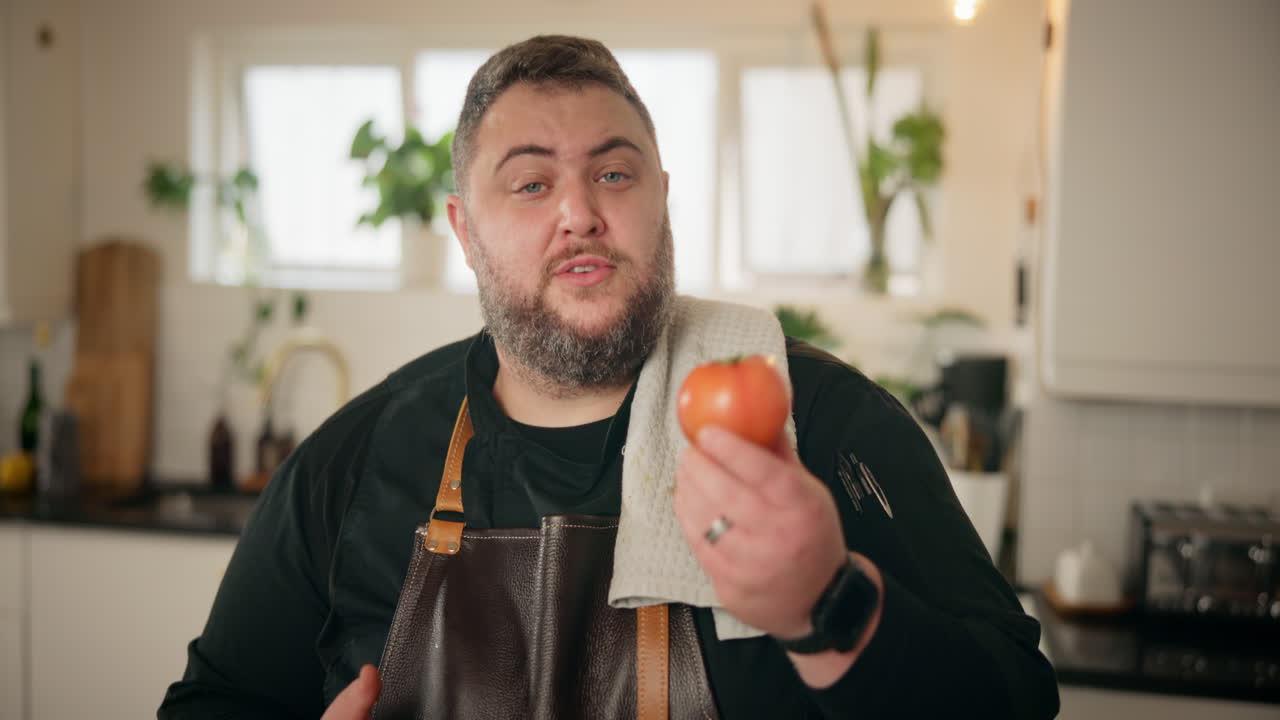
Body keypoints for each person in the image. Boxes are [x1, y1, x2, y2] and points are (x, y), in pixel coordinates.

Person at [160, 35, 1059, 719]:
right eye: (529, 185)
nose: (581, 214)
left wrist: (833, 606)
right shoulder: (352, 463)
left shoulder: (820, 427)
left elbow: (1017, 700)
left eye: (614, 173)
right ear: (464, 231)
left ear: (661, 197)